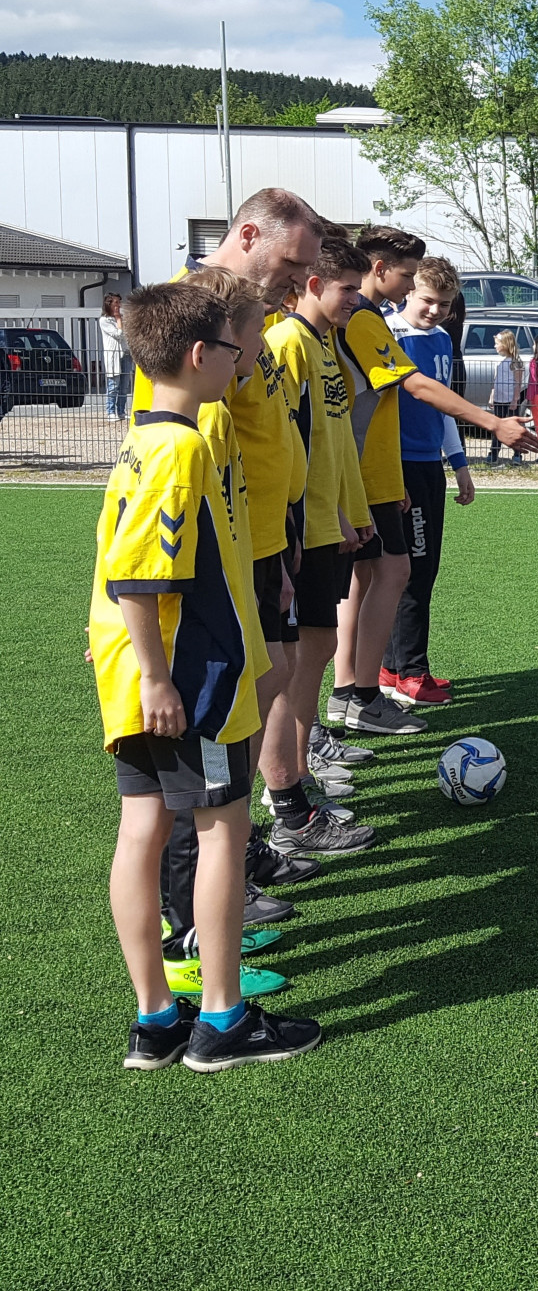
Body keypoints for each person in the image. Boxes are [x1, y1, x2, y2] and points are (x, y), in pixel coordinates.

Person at [94, 281, 320, 1072]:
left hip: (144, 670)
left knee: (142, 829)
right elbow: (138, 576)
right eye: (232, 348)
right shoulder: (182, 447)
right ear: (199, 354)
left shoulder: (143, 438)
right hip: (191, 676)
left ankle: (156, 1017)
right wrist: (159, 677)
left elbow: (114, 556)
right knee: (222, 828)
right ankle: (222, 1019)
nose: (240, 360)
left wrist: (127, 655)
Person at [133, 189, 326, 964]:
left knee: (263, 687)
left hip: (256, 549)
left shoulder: (251, 321)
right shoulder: (193, 324)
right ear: (248, 235)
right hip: (212, 576)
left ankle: (231, 861)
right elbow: (158, 489)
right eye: (292, 262)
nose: (299, 280)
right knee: (208, 747)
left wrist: (278, 545)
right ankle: (199, 916)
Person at [328, 225, 537, 735]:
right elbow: (415, 387)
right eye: (408, 279)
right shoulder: (365, 322)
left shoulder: (400, 328)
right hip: (371, 471)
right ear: (381, 270)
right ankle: (371, 687)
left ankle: (355, 690)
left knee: (374, 576)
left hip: (388, 470)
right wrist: (492, 423)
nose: (414, 292)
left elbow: (427, 397)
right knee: (387, 576)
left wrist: (456, 461)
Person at [260, 237, 380, 860]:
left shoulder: (326, 343)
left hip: (329, 523)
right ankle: (287, 793)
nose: (356, 300)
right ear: (312, 285)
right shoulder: (287, 344)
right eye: (347, 289)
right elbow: (289, 446)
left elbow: (334, 442)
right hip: (302, 530)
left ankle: (300, 767)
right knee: (293, 664)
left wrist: (353, 512)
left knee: (317, 649)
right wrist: (318, 518)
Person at [382, 256, 476, 707]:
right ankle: (411, 673)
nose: (436, 311)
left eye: (445, 304)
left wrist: (459, 463)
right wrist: (388, 471)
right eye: (428, 300)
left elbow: (443, 405)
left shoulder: (440, 338)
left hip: (428, 466)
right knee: (410, 572)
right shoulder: (387, 334)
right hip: (397, 466)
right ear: (408, 292)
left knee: (423, 568)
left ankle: (393, 666)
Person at [487, 330, 525, 463]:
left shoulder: (515, 363)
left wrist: (515, 399)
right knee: (497, 426)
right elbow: (495, 380)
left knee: (513, 426)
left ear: (505, 345)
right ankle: (493, 453)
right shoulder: (498, 361)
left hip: (510, 400)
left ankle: (517, 454)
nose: (495, 346)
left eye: (497, 344)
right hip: (499, 399)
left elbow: (518, 383)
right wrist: (492, 396)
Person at [100, 292, 130, 420]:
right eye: (116, 302)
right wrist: (118, 320)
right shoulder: (104, 320)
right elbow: (118, 334)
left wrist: (120, 320)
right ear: (109, 304)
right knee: (113, 384)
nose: (118, 305)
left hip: (125, 353)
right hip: (113, 355)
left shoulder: (123, 319)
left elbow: (127, 334)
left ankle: (121, 411)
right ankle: (110, 412)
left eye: (119, 302)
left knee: (124, 386)